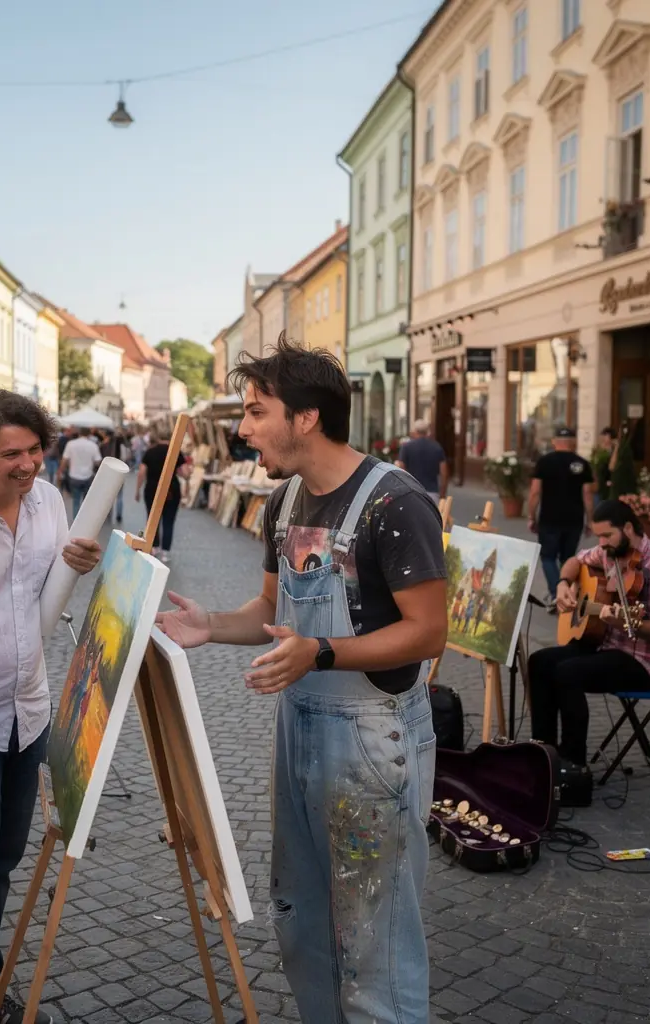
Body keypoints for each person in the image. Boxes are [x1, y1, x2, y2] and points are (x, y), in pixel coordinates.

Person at [156, 335, 446, 1024]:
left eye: (257, 411)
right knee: (304, 921)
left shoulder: (395, 504)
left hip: (374, 743)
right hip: (301, 736)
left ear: (306, 418)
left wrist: (320, 652)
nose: (243, 427)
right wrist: (211, 625)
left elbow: (429, 632)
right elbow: (267, 610)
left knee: (374, 940)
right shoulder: (283, 504)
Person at [0, 391, 101, 1024]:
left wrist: (78, 563)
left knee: (1, 866)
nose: (29, 464)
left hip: (27, 714)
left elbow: (47, 587)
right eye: (12, 454)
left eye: (36, 450)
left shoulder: (51, 503)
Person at [529, 498, 650, 769]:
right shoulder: (608, 552)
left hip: (642, 661)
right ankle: (543, 754)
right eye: (598, 536)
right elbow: (575, 561)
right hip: (603, 645)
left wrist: (626, 623)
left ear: (629, 528)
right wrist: (563, 583)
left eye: (606, 535)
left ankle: (572, 764)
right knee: (538, 661)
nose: (601, 543)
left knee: (568, 672)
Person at [528, 426, 594, 609]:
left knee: (548, 557)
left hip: (549, 518)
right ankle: (566, 593)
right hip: (574, 519)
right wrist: (590, 520)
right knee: (568, 557)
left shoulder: (544, 462)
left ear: (554, 441)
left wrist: (531, 516)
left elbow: (534, 492)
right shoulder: (582, 464)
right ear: (573, 442)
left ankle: (555, 594)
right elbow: (587, 494)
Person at [135, 424, 188, 563]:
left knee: (153, 519)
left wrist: (137, 490)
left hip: (152, 489)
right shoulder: (176, 452)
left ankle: (155, 547)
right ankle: (165, 552)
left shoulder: (150, 452)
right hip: (172, 490)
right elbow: (184, 473)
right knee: (169, 521)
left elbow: (141, 472)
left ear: (158, 437)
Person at [395, 418, 448, 502]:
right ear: (427, 432)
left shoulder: (406, 447)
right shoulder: (437, 447)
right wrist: (442, 495)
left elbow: (401, 470)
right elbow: (444, 473)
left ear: (414, 431)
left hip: (412, 492)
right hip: (432, 493)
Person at [59, 426, 102, 517]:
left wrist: (60, 471)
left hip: (74, 476)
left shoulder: (71, 444)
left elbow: (65, 460)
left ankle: (76, 524)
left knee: (75, 501)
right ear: (89, 434)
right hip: (88, 476)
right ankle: (85, 523)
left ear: (79, 433)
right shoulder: (93, 445)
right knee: (86, 503)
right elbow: (98, 461)